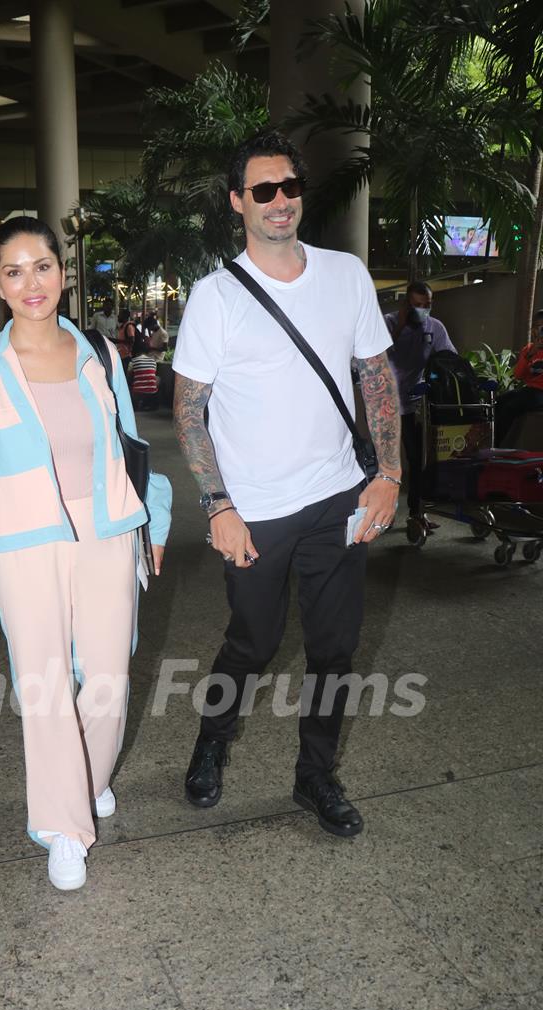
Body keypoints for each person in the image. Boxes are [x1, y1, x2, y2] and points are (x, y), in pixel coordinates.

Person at [0, 216, 172, 892]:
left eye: (42, 265)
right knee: (43, 687)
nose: (31, 282)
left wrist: (154, 525)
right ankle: (64, 828)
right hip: (26, 547)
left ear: (62, 273)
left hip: (107, 534)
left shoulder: (99, 353)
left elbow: (133, 448)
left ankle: (86, 779)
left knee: (107, 679)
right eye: (14, 270)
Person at [172, 130, 400, 838]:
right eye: (263, 190)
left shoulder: (345, 274)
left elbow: (376, 374)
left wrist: (389, 474)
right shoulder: (216, 297)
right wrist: (218, 507)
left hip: (337, 495)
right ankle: (214, 738)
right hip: (257, 510)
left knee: (336, 648)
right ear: (237, 201)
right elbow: (188, 409)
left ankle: (316, 776)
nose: (280, 202)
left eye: (290, 187)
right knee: (254, 641)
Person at [385, 281, 454, 526]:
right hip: (386, 404)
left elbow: (448, 358)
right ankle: (383, 514)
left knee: (417, 459)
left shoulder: (434, 328)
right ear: (406, 304)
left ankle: (416, 513)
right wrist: (401, 325)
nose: (423, 310)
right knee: (386, 463)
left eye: (428, 305)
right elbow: (375, 354)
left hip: (413, 404)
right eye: (417, 305)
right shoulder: (389, 323)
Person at [496, 310, 543, 444]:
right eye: (537, 327)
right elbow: (518, 375)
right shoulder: (528, 350)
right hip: (529, 390)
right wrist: (530, 354)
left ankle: (497, 444)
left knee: (511, 408)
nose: (540, 331)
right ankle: (489, 440)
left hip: (541, 393)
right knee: (498, 402)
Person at [128, 326, 168, 411]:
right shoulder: (153, 361)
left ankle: (135, 402)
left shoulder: (134, 361)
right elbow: (152, 374)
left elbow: (129, 375)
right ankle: (154, 403)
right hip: (151, 391)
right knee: (157, 379)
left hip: (137, 392)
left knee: (132, 378)